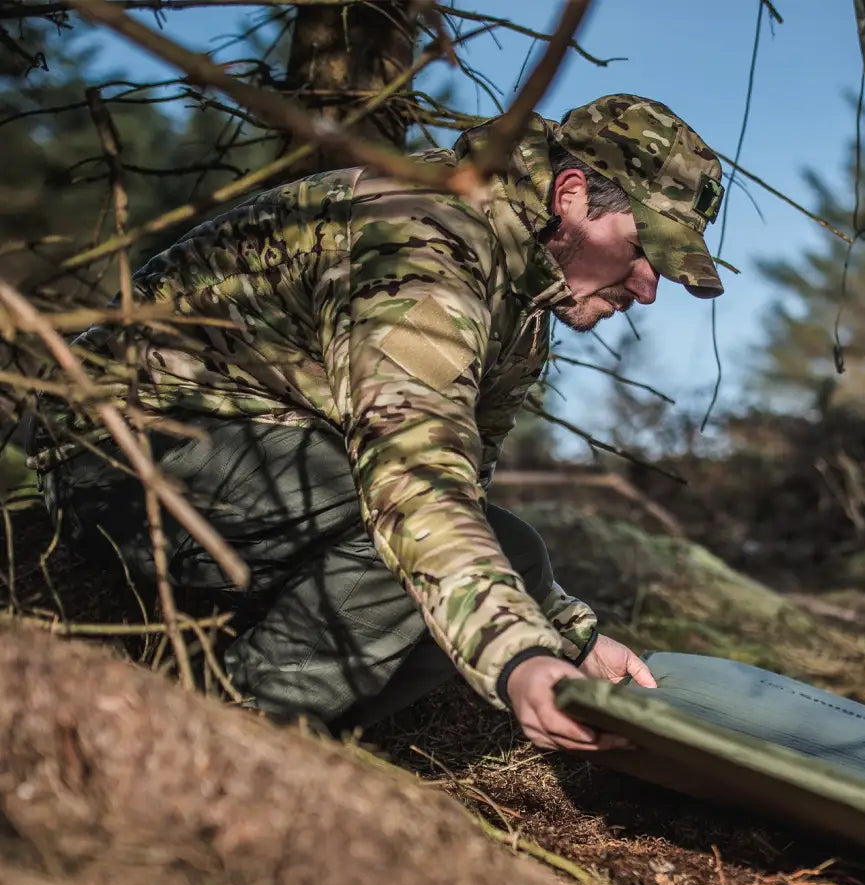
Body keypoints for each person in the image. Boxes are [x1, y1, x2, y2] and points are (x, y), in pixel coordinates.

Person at [32, 94, 726, 752]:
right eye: (641, 250)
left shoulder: (523, 307)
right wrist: (517, 656)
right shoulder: (429, 241)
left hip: (254, 466)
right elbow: (413, 484)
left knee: (511, 549)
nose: (646, 288)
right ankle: (221, 741)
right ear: (570, 195)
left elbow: (462, 494)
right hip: (120, 446)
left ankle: (291, 729)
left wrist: (572, 637)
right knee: (404, 523)